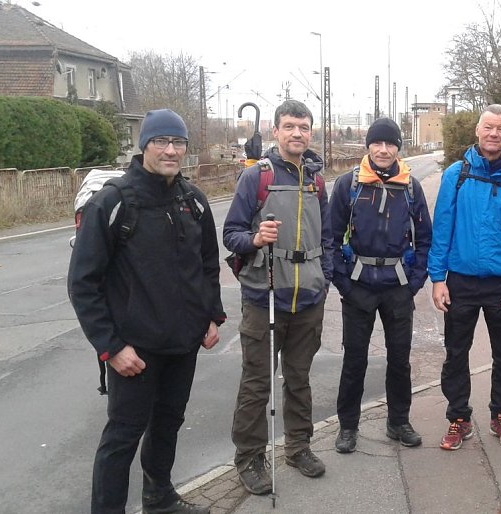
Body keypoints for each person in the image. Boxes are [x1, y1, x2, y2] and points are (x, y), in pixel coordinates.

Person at [68, 109, 225, 514]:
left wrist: (212, 316)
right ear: (145, 146)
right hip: (133, 352)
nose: (170, 150)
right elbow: (83, 283)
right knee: (122, 436)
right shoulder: (114, 202)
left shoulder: (194, 201)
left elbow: (208, 264)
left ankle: (159, 498)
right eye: (161, 141)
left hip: (183, 343)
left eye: (178, 143)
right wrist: (111, 347)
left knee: (168, 423)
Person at [223, 100, 332, 493]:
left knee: (299, 379)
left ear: (311, 132)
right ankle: (250, 457)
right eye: (289, 126)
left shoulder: (318, 181)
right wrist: (254, 239)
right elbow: (231, 234)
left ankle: (298, 447)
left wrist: (325, 277)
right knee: (257, 383)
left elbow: (330, 237)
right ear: (275, 131)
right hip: (264, 297)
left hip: (308, 300)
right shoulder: (257, 178)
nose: (297, 133)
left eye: (304, 127)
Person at [429, 104, 501, 450]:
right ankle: (458, 418)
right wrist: (437, 278)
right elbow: (442, 229)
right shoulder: (456, 175)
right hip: (460, 280)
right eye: (489, 127)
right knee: (455, 353)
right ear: (478, 131)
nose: (494, 134)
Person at [329, 118, 433, 453]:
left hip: (398, 288)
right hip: (358, 287)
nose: (384, 150)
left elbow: (425, 240)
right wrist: (344, 283)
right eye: (378, 143)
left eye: (390, 144)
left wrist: (414, 283)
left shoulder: (412, 188)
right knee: (354, 360)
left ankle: (398, 422)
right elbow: (330, 238)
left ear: (398, 148)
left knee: (399, 359)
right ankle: (347, 427)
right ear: (369, 146)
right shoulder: (349, 185)